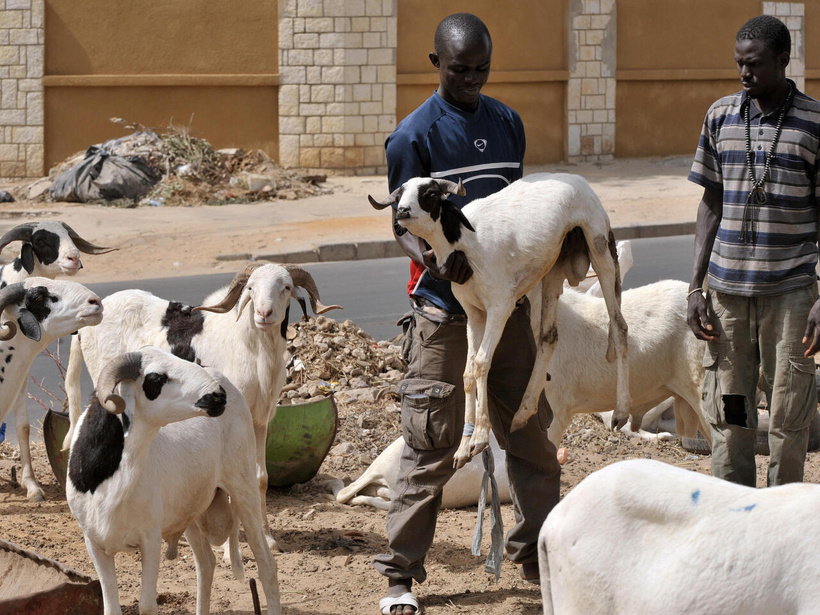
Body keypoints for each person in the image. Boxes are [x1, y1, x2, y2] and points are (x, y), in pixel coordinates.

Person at [372, 13, 561, 615]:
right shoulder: (413, 137)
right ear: (435, 64)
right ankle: (399, 579)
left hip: (505, 311)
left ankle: (542, 559)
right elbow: (402, 221)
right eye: (460, 70)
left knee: (529, 431)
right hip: (441, 311)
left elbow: (522, 212)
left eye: (481, 69)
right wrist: (432, 263)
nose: (473, 80)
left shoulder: (508, 124)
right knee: (430, 441)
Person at [687, 14, 820, 488]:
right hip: (727, 299)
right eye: (739, 64)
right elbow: (710, 203)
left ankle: (781, 521)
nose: (744, 74)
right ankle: (734, 512)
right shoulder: (720, 115)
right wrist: (694, 287)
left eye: (755, 64)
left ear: (784, 61)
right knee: (732, 412)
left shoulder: (814, 123)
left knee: (788, 412)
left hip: (792, 298)